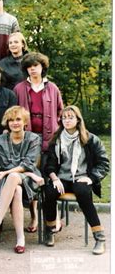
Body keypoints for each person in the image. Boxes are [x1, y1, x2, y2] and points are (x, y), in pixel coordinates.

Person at [43, 106, 109, 255]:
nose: (67, 120)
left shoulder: (90, 139)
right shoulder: (57, 139)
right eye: (64, 117)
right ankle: (51, 229)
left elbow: (103, 163)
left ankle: (99, 237)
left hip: (81, 177)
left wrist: (91, 178)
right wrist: (54, 178)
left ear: (78, 119)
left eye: (70, 117)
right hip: (62, 178)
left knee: (82, 191)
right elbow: (50, 165)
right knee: (50, 191)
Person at [13, 52, 63, 232]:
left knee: (49, 177)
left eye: (36, 65)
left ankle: (54, 217)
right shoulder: (19, 88)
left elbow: (60, 111)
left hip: (49, 139)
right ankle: (34, 218)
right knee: (31, 178)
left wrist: (55, 129)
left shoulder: (52, 88)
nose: (33, 68)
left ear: (42, 67)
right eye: (29, 66)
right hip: (28, 139)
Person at [0, 106, 44, 254]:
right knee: (16, 190)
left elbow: (28, 164)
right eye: (11, 120)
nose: (14, 123)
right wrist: (9, 171)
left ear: (25, 121)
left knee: (13, 176)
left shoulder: (34, 138)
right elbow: (6, 164)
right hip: (7, 182)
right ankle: (20, 239)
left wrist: (12, 172)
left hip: (29, 179)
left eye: (18, 119)